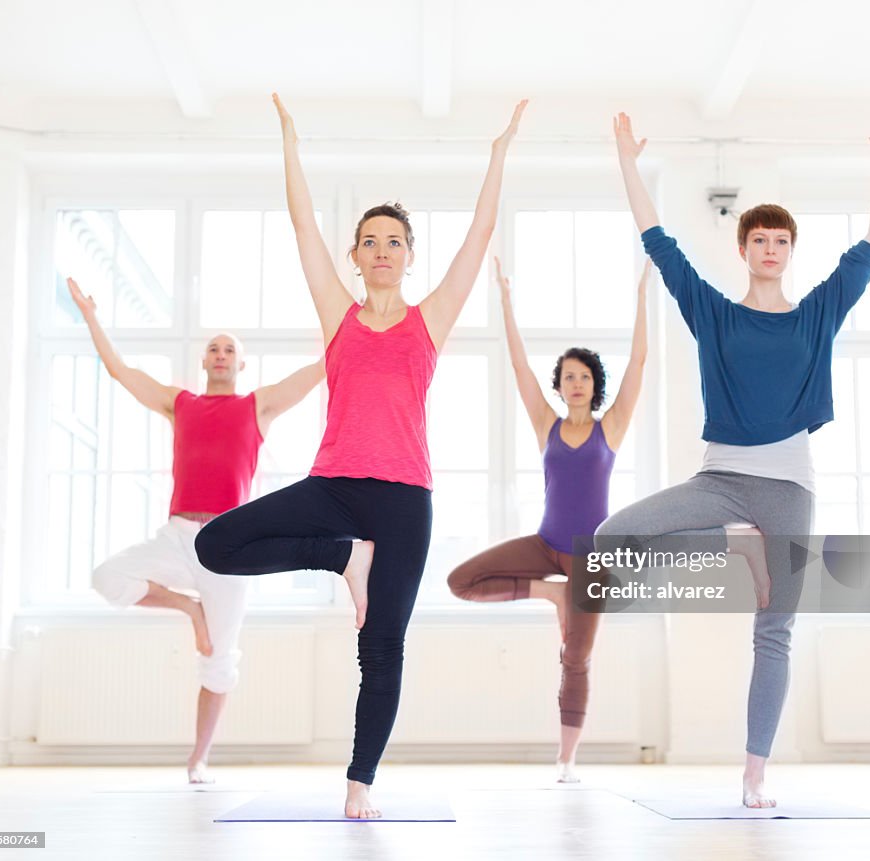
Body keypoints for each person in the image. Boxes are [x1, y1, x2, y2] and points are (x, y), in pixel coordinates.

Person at [194, 94, 527, 818]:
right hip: (334, 486)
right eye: (369, 242)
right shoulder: (337, 312)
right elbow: (302, 223)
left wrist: (498, 154)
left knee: (383, 646)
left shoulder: (429, 318)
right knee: (217, 543)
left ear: (409, 256)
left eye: (393, 242)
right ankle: (342, 558)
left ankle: (359, 782)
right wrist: (288, 138)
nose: (380, 251)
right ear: (356, 256)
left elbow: (480, 232)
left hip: (406, 496)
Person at [595, 105, 870, 807]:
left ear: (790, 250)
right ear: (744, 249)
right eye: (759, 238)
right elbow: (657, 240)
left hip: (789, 487)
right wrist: (626, 160)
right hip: (722, 482)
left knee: (775, 631)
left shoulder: (818, 312)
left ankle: (755, 771)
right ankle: (737, 544)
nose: (769, 247)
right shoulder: (714, 312)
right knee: (613, 540)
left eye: (779, 239)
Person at [69, 277, 324, 784]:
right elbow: (120, 372)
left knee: (220, 658)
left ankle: (198, 758)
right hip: (179, 536)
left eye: (230, 349)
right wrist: (91, 317)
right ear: (205, 362)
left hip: (232, 543)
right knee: (107, 577)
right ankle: (190, 608)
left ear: (241, 363)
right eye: (214, 348)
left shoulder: (257, 406)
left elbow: (317, 372)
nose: (222, 354)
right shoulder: (178, 402)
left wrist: (349, 325)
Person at [447, 255, 648, 783]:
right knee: (460, 581)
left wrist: (643, 299)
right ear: (558, 386)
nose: (575, 382)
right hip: (544, 544)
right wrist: (507, 305)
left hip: (592, 560)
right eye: (567, 376)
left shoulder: (612, 428)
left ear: (593, 384)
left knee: (575, 659)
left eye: (583, 376)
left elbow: (640, 364)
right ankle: (548, 593)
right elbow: (517, 368)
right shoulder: (547, 425)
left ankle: (566, 758)